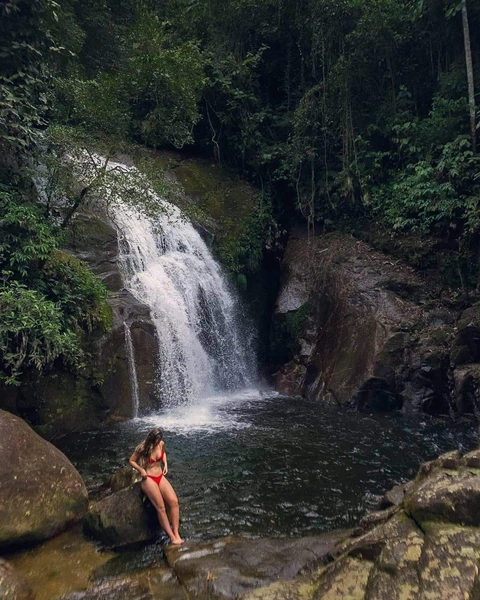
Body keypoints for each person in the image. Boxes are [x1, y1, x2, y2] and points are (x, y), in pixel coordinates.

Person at [129, 427, 184, 545]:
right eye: (157, 440)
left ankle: (176, 531)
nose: (159, 442)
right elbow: (132, 460)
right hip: (148, 479)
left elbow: (163, 454)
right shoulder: (142, 448)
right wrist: (141, 470)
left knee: (174, 501)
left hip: (160, 476)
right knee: (161, 507)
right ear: (152, 439)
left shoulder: (160, 444)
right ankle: (171, 537)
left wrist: (165, 465)